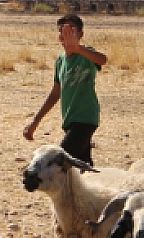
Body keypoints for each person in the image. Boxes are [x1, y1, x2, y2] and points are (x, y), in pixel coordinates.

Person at [23, 14, 108, 166]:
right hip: (69, 120)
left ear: (80, 34)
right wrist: (35, 121)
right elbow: (56, 92)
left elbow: (102, 59)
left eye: (71, 30)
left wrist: (78, 48)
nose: (65, 34)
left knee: (60, 162)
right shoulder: (60, 60)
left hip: (86, 118)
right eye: (62, 30)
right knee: (82, 165)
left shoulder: (86, 54)